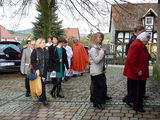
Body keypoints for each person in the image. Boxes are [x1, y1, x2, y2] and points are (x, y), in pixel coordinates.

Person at [123, 32, 150, 112]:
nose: (147, 42)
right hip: (136, 73)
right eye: (147, 40)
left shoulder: (139, 44)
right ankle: (137, 106)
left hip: (140, 72)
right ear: (144, 39)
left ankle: (130, 100)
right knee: (137, 91)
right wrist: (137, 70)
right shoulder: (136, 45)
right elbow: (131, 59)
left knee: (137, 90)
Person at [88, 32, 107, 110]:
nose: (101, 39)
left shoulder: (98, 47)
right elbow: (96, 60)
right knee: (99, 87)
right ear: (95, 39)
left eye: (101, 37)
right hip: (95, 72)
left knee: (98, 87)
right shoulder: (93, 49)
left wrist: (103, 68)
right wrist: (102, 52)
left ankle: (96, 102)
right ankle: (97, 102)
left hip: (99, 71)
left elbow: (101, 60)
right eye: (99, 37)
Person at [31, 38, 49, 106]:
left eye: (44, 42)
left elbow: (47, 60)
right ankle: (43, 98)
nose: (44, 44)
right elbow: (33, 61)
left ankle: (42, 97)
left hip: (44, 71)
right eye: (43, 42)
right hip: (38, 71)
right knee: (39, 84)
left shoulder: (46, 51)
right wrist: (37, 69)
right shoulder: (35, 51)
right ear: (39, 43)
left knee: (43, 84)